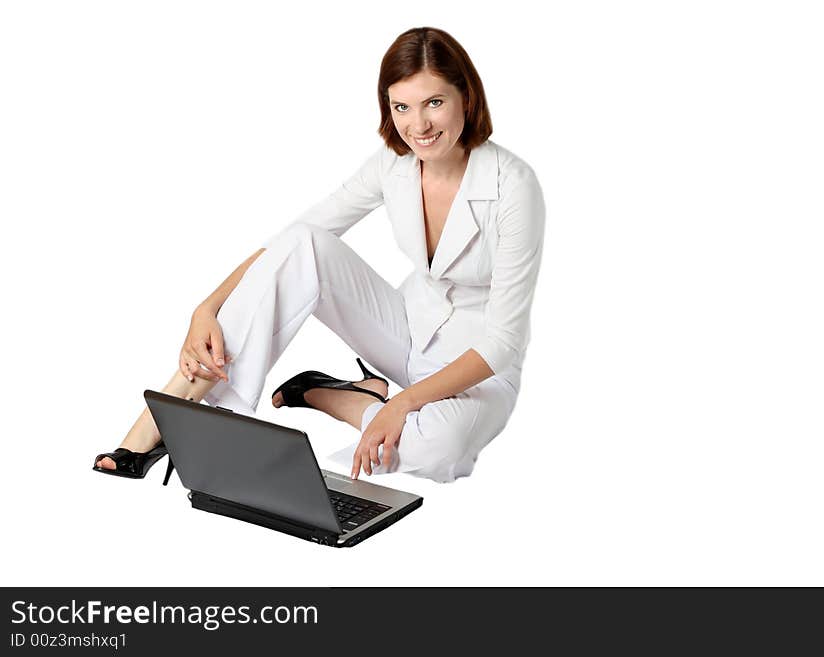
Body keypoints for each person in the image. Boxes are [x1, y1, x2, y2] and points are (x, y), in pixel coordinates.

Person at [93, 26, 545, 484]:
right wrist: (206, 307)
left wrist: (402, 404)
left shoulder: (514, 186)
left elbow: (503, 342)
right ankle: (163, 418)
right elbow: (291, 243)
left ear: (466, 98)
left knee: (437, 450)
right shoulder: (394, 163)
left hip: (480, 366)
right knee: (306, 241)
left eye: (434, 103)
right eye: (401, 107)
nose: (419, 126)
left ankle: (339, 397)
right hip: (409, 330)